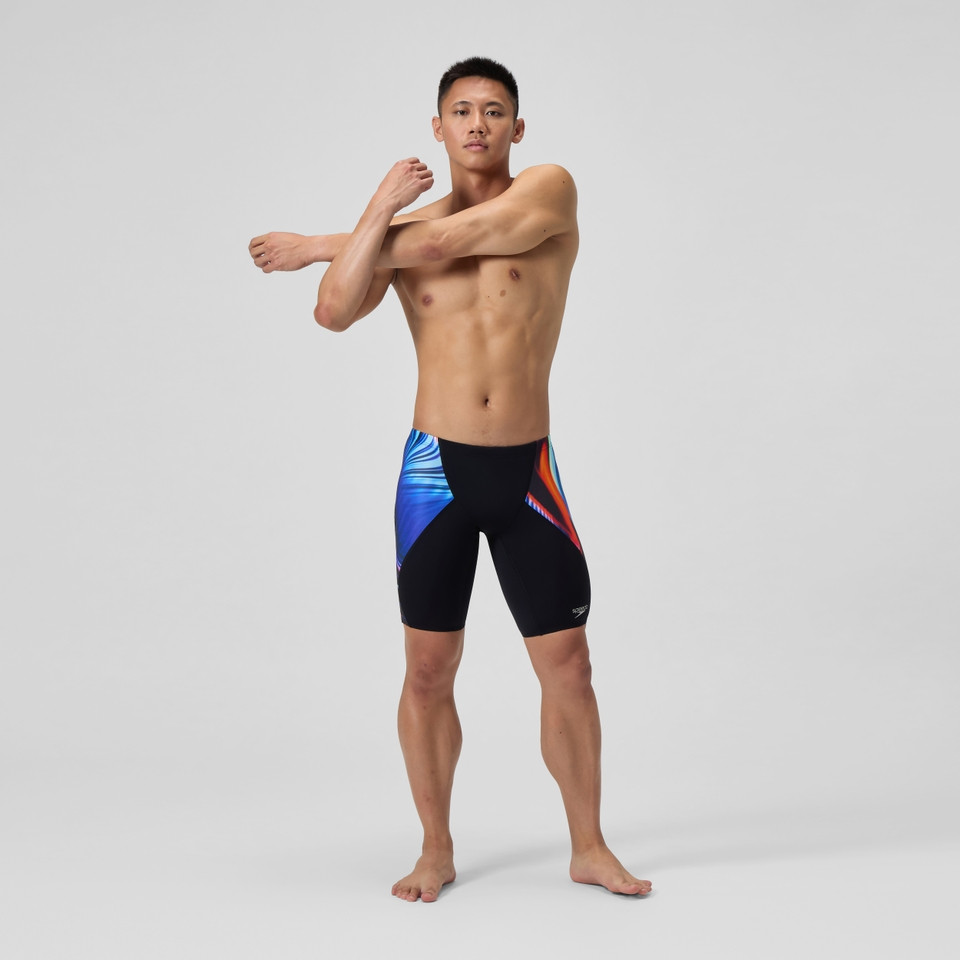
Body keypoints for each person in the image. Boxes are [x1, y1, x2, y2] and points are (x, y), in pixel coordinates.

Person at [248, 56, 651, 903]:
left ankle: (588, 846)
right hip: (436, 473)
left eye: (494, 111)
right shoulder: (399, 228)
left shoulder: (549, 191)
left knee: (569, 666)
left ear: (517, 127)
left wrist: (324, 241)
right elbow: (332, 311)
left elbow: (443, 242)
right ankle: (434, 849)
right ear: (437, 128)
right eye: (461, 111)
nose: (477, 124)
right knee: (428, 672)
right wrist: (377, 210)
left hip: (526, 471)